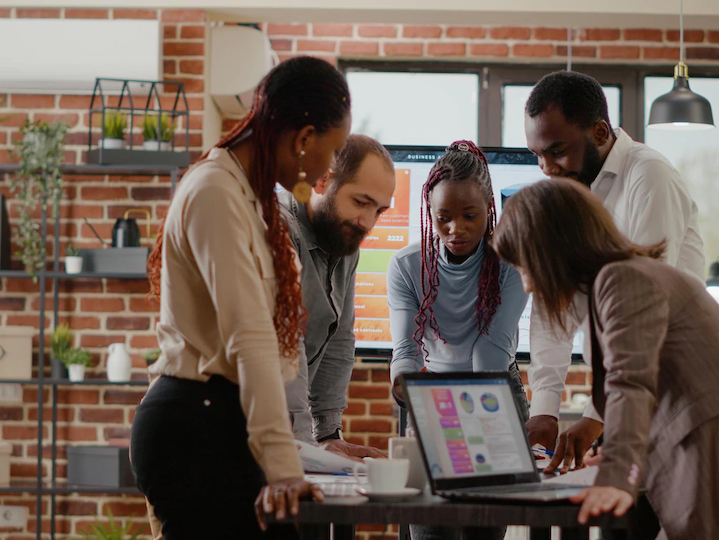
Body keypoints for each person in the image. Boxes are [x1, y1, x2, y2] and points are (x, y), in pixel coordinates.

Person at [493, 179, 719, 540]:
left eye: (525, 267)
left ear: (552, 251)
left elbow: (630, 384)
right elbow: (669, 388)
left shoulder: (621, 280)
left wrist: (618, 472)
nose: (526, 285)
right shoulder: (632, 273)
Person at [131, 56, 351, 539]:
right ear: (304, 138)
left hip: (219, 422)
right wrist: (284, 470)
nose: (331, 166)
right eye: (333, 151)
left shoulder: (250, 194)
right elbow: (251, 339)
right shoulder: (216, 192)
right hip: (195, 428)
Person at [522, 70, 705, 471]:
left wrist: (594, 418)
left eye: (556, 151)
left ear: (601, 132)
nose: (546, 168)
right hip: (623, 396)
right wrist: (545, 409)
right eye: (537, 154)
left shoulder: (649, 176)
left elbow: (643, 311)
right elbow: (553, 308)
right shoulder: (568, 192)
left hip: (677, 395)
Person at [388, 141, 529, 540]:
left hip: (497, 389)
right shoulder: (405, 266)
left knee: (481, 528)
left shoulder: (511, 263)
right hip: (431, 393)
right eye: (443, 217)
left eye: (470, 215)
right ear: (429, 214)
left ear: (489, 207)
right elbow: (406, 348)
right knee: (429, 528)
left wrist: (473, 426)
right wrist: (406, 382)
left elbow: (491, 348)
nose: (456, 229)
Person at [282, 133, 396, 458]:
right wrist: (302, 447)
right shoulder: (278, 229)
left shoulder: (344, 241)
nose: (368, 223)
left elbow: (339, 339)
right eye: (361, 202)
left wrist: (328, 434)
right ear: (321, 181)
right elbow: (284, 346)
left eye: (380, 210)